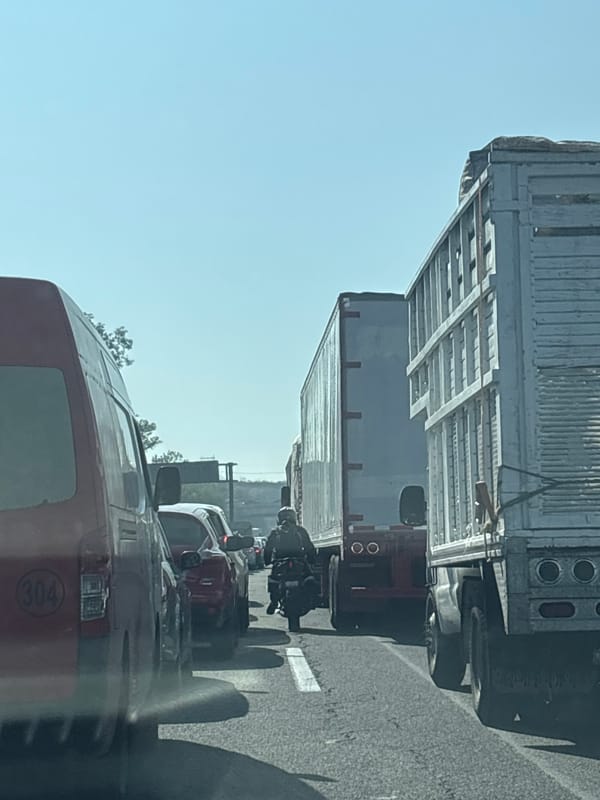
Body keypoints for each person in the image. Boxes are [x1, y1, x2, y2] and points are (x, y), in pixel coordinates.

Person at [264, 507, 316, 615]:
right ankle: (312, 600)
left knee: (273, 580)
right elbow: (309, 546)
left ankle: (274, 602)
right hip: (299, 561)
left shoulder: (275, 532)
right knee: (310, 578)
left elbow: (268, 548)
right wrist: (311, 559)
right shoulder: (300, 530)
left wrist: (267, 560)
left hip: (280, 562)